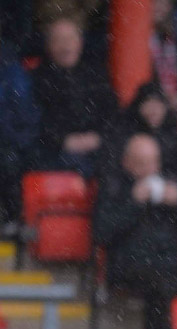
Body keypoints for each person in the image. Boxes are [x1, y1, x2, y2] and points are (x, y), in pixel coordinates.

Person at [92, 134, 177, 329]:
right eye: (142, 163)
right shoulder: (114, 186)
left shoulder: (171, 184)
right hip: (128, 266)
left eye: (153, 162)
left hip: (169, 265)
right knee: (160, 288)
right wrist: (133, 203)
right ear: (127, 162)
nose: (150, 169)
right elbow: (102, 233)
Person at [33, 15, 117, 178]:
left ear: (80, 42)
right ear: (49, 46)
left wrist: (98, 137)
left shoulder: (96, 74)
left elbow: (113, 113)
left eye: (70, 39)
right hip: (57, 152)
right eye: (59, 40)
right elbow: (36, 123)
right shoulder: (38, 78)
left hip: (99, 146)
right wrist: (63, 141)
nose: (66, 46)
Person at [0, 22, 38, 235]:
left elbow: (26, 116)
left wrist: (10, 138)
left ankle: (13, 219)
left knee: (10, 158)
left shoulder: (12, 69)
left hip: (8, 142)